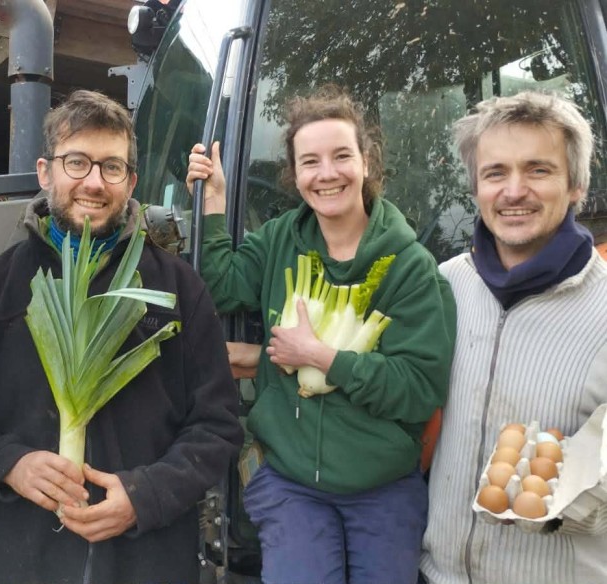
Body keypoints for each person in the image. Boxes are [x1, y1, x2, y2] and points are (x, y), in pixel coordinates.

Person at [0, 89, 243, 584]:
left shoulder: (178, 289)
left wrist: (145, 495)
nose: (94, 182)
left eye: (112, 167)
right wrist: (12, 464)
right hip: (15, 563)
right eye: (76, 162)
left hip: (147, 563)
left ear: (131, 182)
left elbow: (217, 424)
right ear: (45, 172)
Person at [186, 86, 457, 584]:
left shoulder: (411, 267)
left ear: (366, 162)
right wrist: (215, 202)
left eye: (341, 156)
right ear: (294, 175)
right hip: (291, 482)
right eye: (309, 162)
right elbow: (222, 287)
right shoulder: (279, 239)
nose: (326, 173)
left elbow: (419, 389)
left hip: (383, 486)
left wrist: (323, 357)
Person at [420, 92, 607, 583]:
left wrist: (573, 497)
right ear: (476, 188)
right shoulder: (442, 287)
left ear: (576, 186)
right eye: (495, 173)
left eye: (538, 170)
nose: (514, 190)